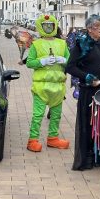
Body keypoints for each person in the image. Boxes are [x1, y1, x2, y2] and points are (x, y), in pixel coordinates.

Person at [66, 15, 100, 170]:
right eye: (97, 26)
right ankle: (87, 158)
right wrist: (87, 77)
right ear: (89, 29)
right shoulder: (81, 44)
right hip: (89, 91)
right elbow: (70, 67)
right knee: (88, 125)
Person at [25, 14, 70, 152]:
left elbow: (70, 61)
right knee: (38, 114)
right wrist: (42, 61)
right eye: (46, 26)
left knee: (56, 115)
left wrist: (64, 60)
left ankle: (53, 138)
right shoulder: (36, 44)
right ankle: (33, 140)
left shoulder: (62, 44)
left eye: (51, 25)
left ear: (55, 25)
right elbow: (29, 62)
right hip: (41, 85)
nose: (49, 28)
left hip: (58, 85)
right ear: (40, 27)